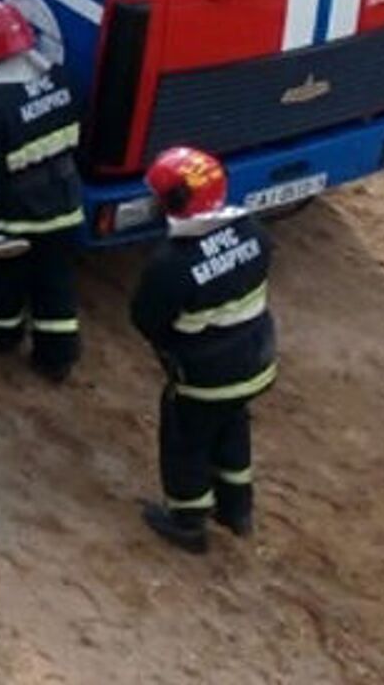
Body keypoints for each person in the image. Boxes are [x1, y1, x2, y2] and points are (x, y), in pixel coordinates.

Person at [130, 146, 277, 554]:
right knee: (232, 427)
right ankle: (236, 509)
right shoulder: (255, 233)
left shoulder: (170, 264)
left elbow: (145, 317)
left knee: (186, 442)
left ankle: (188, 522)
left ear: (172, 201)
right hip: (257, 361)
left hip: (205, 377)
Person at [0, 0, 84, 381]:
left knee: (3, 280)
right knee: (57, 284)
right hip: (65, 204)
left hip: (17, 215)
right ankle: (57, 358)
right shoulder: (62, 79)